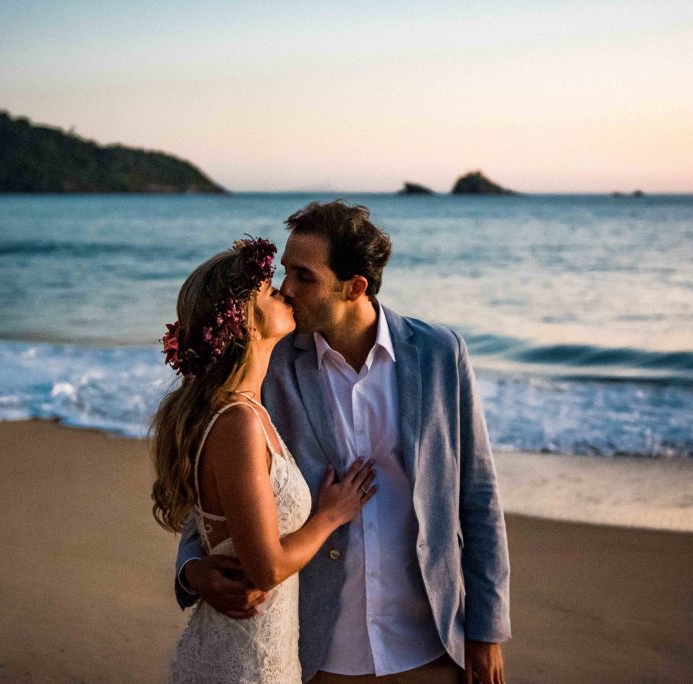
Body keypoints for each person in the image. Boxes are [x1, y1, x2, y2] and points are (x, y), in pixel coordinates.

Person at [174, 201, 511, 684]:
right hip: (318, 648)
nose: (285, 289)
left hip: (431, 642)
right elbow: (219, 488)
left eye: (304, 277)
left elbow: (477, 498)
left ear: (354, 287)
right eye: (285, 270)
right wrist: (191, 571)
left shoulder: (439, 354)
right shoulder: (269, 363)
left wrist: (486, 629)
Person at [152, 236, 380, 683]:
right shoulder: (237, 421)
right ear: (246, 323)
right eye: (272, 290)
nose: (286, 290)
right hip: (243, 662)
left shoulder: (248, 408)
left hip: (266, 649)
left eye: (297, 278)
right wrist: (331, 515)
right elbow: (266, 568)